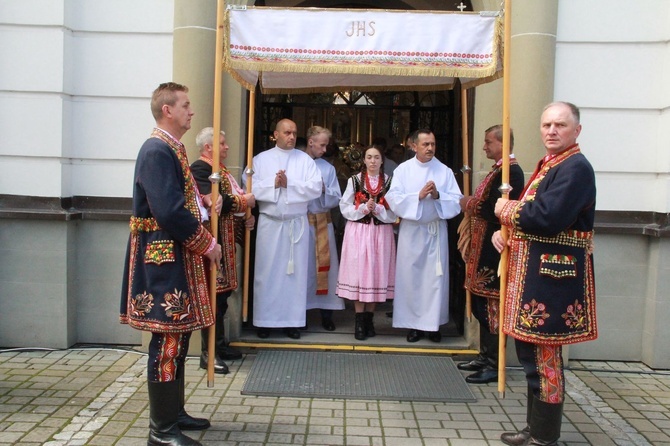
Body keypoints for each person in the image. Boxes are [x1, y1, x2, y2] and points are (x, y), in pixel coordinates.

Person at [120, 82, 222, 446]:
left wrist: (206, 205)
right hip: (163, 258)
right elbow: (167, 209)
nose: (191, 112)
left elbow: (183, 200)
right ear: (167, 110)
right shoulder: (156, 149)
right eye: (185, 105)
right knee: (167, 339)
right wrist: (206, 242)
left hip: (177, 257)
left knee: (179, 338)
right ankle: (161, 432)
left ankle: (173, 416)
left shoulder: (171, 148)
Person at [493, 102, 597, 446]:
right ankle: (533, 429)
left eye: (560, 125)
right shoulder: (552, 164)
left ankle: (544, 437)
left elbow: (548, 217)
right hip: (536, 279)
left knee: (545, 359)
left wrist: (507, 210)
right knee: (531, 359)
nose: (552, 131)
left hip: (553, 283)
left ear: (576, 130)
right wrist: (504, 231)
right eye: (546, 124)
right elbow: (532, 216)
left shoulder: (576, 168)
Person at [457, 125, 525, 384]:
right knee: (481, 306)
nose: (484, 146)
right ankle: (485, 355)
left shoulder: (511, 174)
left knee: (492, 309)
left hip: (493, 251)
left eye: (488, 142)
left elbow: (496, 209)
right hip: (482, 249)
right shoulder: (499, 170)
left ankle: (495, 364)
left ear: (503, 144)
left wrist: (469, 203)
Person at [386, 129, 462, 343]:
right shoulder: (403, 170)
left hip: (435, 232)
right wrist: (417, 197)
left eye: (433, 144)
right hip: (412, 231)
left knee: (434, 280)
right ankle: (414, 326)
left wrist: (438, 196)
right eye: (425, 144)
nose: (430, 148)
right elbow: (393, 198)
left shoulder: (444, 171)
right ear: (413, 146)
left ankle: (433, 325)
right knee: (411, 280)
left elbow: (456, 200)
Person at [190, 127, 255, 374]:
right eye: (223, 144)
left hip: (226, 243)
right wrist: (244, 201)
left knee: (223, 298)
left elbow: (231, 205)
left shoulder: (223, 170)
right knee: (212, 299)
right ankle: (208, 354)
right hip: (212, 244)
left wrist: (246, 218)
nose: (227, 147)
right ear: (208, 147)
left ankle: (220, 344)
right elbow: (216, 202)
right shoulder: (202, 168)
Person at [251, 118, 322, 339]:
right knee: (267, 272)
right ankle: (264, 321)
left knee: (294, 274)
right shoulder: (260, 160)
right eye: (287, 132)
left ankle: (293, 321)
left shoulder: (305, 160)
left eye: (294, 132)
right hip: (270, 224)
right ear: (276, 134)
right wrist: (274, 183)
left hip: (295, 225)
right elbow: (249, 188)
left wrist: (288, 183)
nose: (291, 136)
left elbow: (315, 188)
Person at [336, 146, 397, 340]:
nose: (372, 161)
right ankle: (359, 321)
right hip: (359, 232)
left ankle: (369, 320)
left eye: (376, 157)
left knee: (377, 273)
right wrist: (362, 209)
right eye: (369, 157)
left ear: (382, 160)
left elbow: (395, 211)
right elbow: (344, 206)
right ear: (364, 160)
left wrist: (379, 209)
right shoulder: (354, 181)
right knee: (360, 274)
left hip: (380, 232)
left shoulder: (389, 182)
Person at [302, 126, 345, 330]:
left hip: (322, 224)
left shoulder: (327, 168)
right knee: (304, 270)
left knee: (325, 269)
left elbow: (337, 197)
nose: (325, 149)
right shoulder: (296, 163)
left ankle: (327, 314)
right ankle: (299, 314)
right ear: (311, 142)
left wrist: (324, 189)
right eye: (322, 144)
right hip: (301, 224)